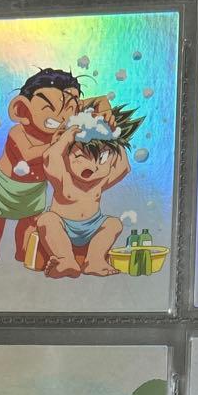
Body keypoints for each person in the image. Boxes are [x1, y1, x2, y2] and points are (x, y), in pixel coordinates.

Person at [0, 69, 84, 264]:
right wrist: (59, 143)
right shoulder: (18, 133)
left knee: (30, 223)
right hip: (3, 186)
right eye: (51, 109)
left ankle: (24, 250)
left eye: (71, 111)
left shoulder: (62, 138)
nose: (62, 117)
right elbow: (27, 156)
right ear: (21, 109)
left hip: (34, 190)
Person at [36, 104, 143, 278]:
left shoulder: (99, 183)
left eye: (102, 158)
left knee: (114, 224)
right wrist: (65, 138)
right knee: (47, 220)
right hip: (64, 224)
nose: (92, 166)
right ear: (66, 157)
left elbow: (124, 168)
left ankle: (94, 261)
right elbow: (50, 158)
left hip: (93, 225)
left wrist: (116, 138)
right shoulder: (64, 179)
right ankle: (65, 260)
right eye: (79, 156)